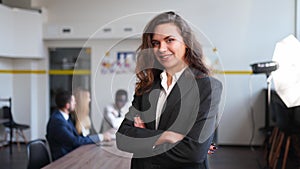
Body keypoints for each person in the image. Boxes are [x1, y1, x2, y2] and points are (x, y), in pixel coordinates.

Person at [116, 11, 222, 169]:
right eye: (155, 43)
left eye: (169, 40)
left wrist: (143, 142)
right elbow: (122, 138)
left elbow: (194, 152)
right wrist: (167, 136)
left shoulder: (207, 87)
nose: (161, 49)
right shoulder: (146, 87)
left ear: (186, 42)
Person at [46, 90, 111, 161]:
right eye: (73, 101)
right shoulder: (57, 121)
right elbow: (74, 141)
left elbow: (78, 137)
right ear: (67, 105)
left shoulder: (65, 117)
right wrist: (100, 137)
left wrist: (98, 137)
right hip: (64, 160)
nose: (75, 103)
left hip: (72, 155)